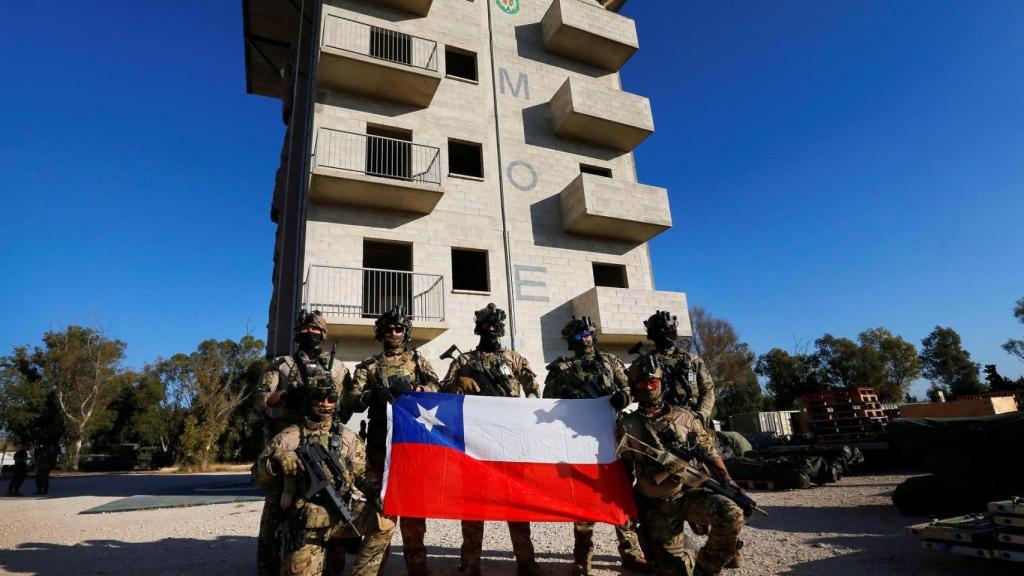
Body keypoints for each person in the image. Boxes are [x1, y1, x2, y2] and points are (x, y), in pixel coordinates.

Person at [252, 369, 389, 576]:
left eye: (331, 398)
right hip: (306, 523)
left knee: (384, 521)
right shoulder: (289, 437)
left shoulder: (348, 438)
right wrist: (277, 461)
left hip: (341, 515)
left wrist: (380, 494)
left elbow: (363, 475)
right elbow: (256, 475)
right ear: (309, 398)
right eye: (319, 396)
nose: (325, 403)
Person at [617, 361, 745, 576]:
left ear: (661, 384)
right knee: (672, 570)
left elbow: (710, 454)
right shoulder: (626, 425)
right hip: (658, 505)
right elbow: (624, 469)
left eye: (653, 382)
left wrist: (729, 482)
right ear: (634, 388)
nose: (648, 388)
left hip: (691, 493)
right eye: (641, 384)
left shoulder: (685, 417)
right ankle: (681, 555)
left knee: (732, 514)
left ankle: (704, 569)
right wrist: (630, 507)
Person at [443, 303, 543, 576]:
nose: (491, 329)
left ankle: (526, 561)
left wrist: (530, 408)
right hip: (475, 441)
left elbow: (533, 389)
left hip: (510, 440)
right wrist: (458, 383)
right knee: (473, 503)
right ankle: (470, 562)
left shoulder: (514, 358)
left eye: (495, 325)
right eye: (486, 324)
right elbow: (443, 391)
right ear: (479, 328)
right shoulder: (464, 361)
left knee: (517, 502)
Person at [543, 316, 648, 575]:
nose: (586, 339)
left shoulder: (610, 361)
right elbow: (547, 403)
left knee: (621, 494)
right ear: (571, 341)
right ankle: (582, 558)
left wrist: (623, 397)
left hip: (612, 437)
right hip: (579, 443)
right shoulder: (562, 369)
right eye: (579, 336)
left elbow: (628, 388)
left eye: (589, 333)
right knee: (583, 500)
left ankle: (631, 553)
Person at [343, 306, 440, 576]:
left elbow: (438, 388)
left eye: (398, 328)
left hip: (411, 444)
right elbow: (351, 400)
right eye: (388, 329)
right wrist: (372, 396)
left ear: (405, 332)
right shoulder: (369, 366)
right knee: (380, 510)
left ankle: (418, 567)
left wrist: (417, 390)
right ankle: (373, 569)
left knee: (413, 511)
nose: (393, 333)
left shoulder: (418, 362)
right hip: (378, 445)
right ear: (380, 332)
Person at [256, 310, 351, 576]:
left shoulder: (338, 367)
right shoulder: (282, 364)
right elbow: (260, 401)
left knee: (330, 506)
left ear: (323, 334)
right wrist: (287, 394)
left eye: (315, 329)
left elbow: (345, 407)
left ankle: (331, 568)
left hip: (324, 446)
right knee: (276, 512)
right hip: (289, 442)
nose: (309, 333)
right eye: (304, 329)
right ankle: (269, 568)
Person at [628, 311, 715, 423]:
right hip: (657, 421)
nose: (664, 334)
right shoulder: (643, 363)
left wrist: (700, 415)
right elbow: (631, 391)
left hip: (691, 419)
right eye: (660, 331)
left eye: (667, 330)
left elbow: (707, 390)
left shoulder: (693, 361)